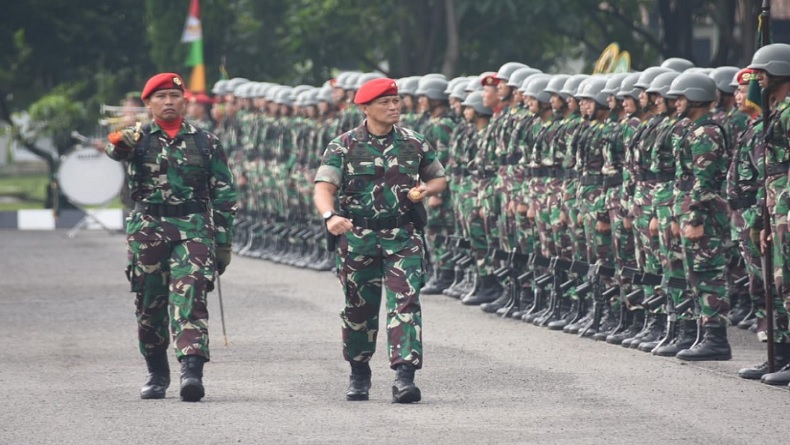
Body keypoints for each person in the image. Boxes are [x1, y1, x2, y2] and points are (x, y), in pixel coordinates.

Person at [105, 72, 238, 402]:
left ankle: (191, 370)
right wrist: (123, 139)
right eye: (160, 97)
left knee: (190, 297)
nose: (168, 102)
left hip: (192, 229)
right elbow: (114, 149)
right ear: (148, 104)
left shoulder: (206, 142)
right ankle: (156, 372)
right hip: (148, 228)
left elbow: (224, 193)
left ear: (185, 101)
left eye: (174, 96)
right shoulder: (137, 139)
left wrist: (223, 242)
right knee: (150, 305)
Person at [313, 77, 447, 403]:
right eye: (385, 103)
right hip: (358, 238)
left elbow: (439, 178)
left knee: (406, 303)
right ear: (366, 108)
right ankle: (359, 372)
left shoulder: (415, 142)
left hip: (403, 236)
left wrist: (426, 190)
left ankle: (404, 376)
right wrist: (330, 216)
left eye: (396, 101)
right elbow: (323, 187)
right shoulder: (343, 145)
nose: (393, 107)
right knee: (359, 310)